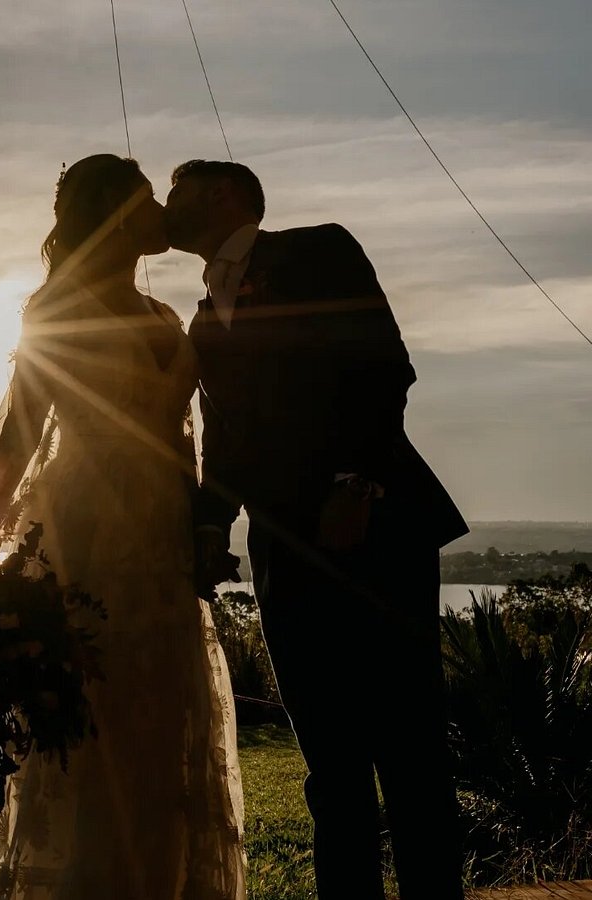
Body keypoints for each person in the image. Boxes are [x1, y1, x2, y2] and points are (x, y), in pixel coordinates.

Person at [0, 154, 246, 899]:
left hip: (162, 536)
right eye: (148, 202)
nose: (161, 216)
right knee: (92, 726)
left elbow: (187, 437)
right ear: (116, 216)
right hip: (86, 526)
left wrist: (202, 529)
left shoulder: (164, 315)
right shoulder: (58, 310)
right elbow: (18, 438)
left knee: (158, 722)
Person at [166, 159, 468, 899]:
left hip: (375, 526)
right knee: (331, 767)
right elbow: (225, 438)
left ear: (223, 194)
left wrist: (352, 484)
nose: (164, 207)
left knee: (410, 751)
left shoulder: (317, 251)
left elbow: (383, 364)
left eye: (176, 192)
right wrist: (212, 525)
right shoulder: (204, 316)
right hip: (283, 550)